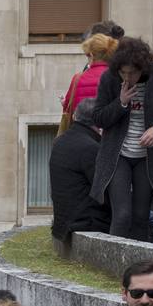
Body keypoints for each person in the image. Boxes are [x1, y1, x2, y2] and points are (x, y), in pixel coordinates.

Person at [91, 36, 153, 241]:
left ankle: (139, 266)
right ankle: (113, 261)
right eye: (123, 72)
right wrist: (120, 103)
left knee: (141, 215)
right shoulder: (109, 79)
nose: (127, 77)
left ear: (143, 68)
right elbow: (99, 117)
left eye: (132, 73)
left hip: (148, 158)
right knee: (122, 214)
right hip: (117, 155)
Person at [50, 97, 109, 246]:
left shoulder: (59, 142)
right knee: (147, 218)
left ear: (76, 116)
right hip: (85, 221)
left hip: (64, 221)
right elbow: (104, 193)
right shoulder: (91, 147)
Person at [61, 31, 119, 116]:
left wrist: (64, 103)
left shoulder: (77, 78)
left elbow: (68, 109)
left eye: (87, 55)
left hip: (82, 127)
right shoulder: (117, 77)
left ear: (91, 55)